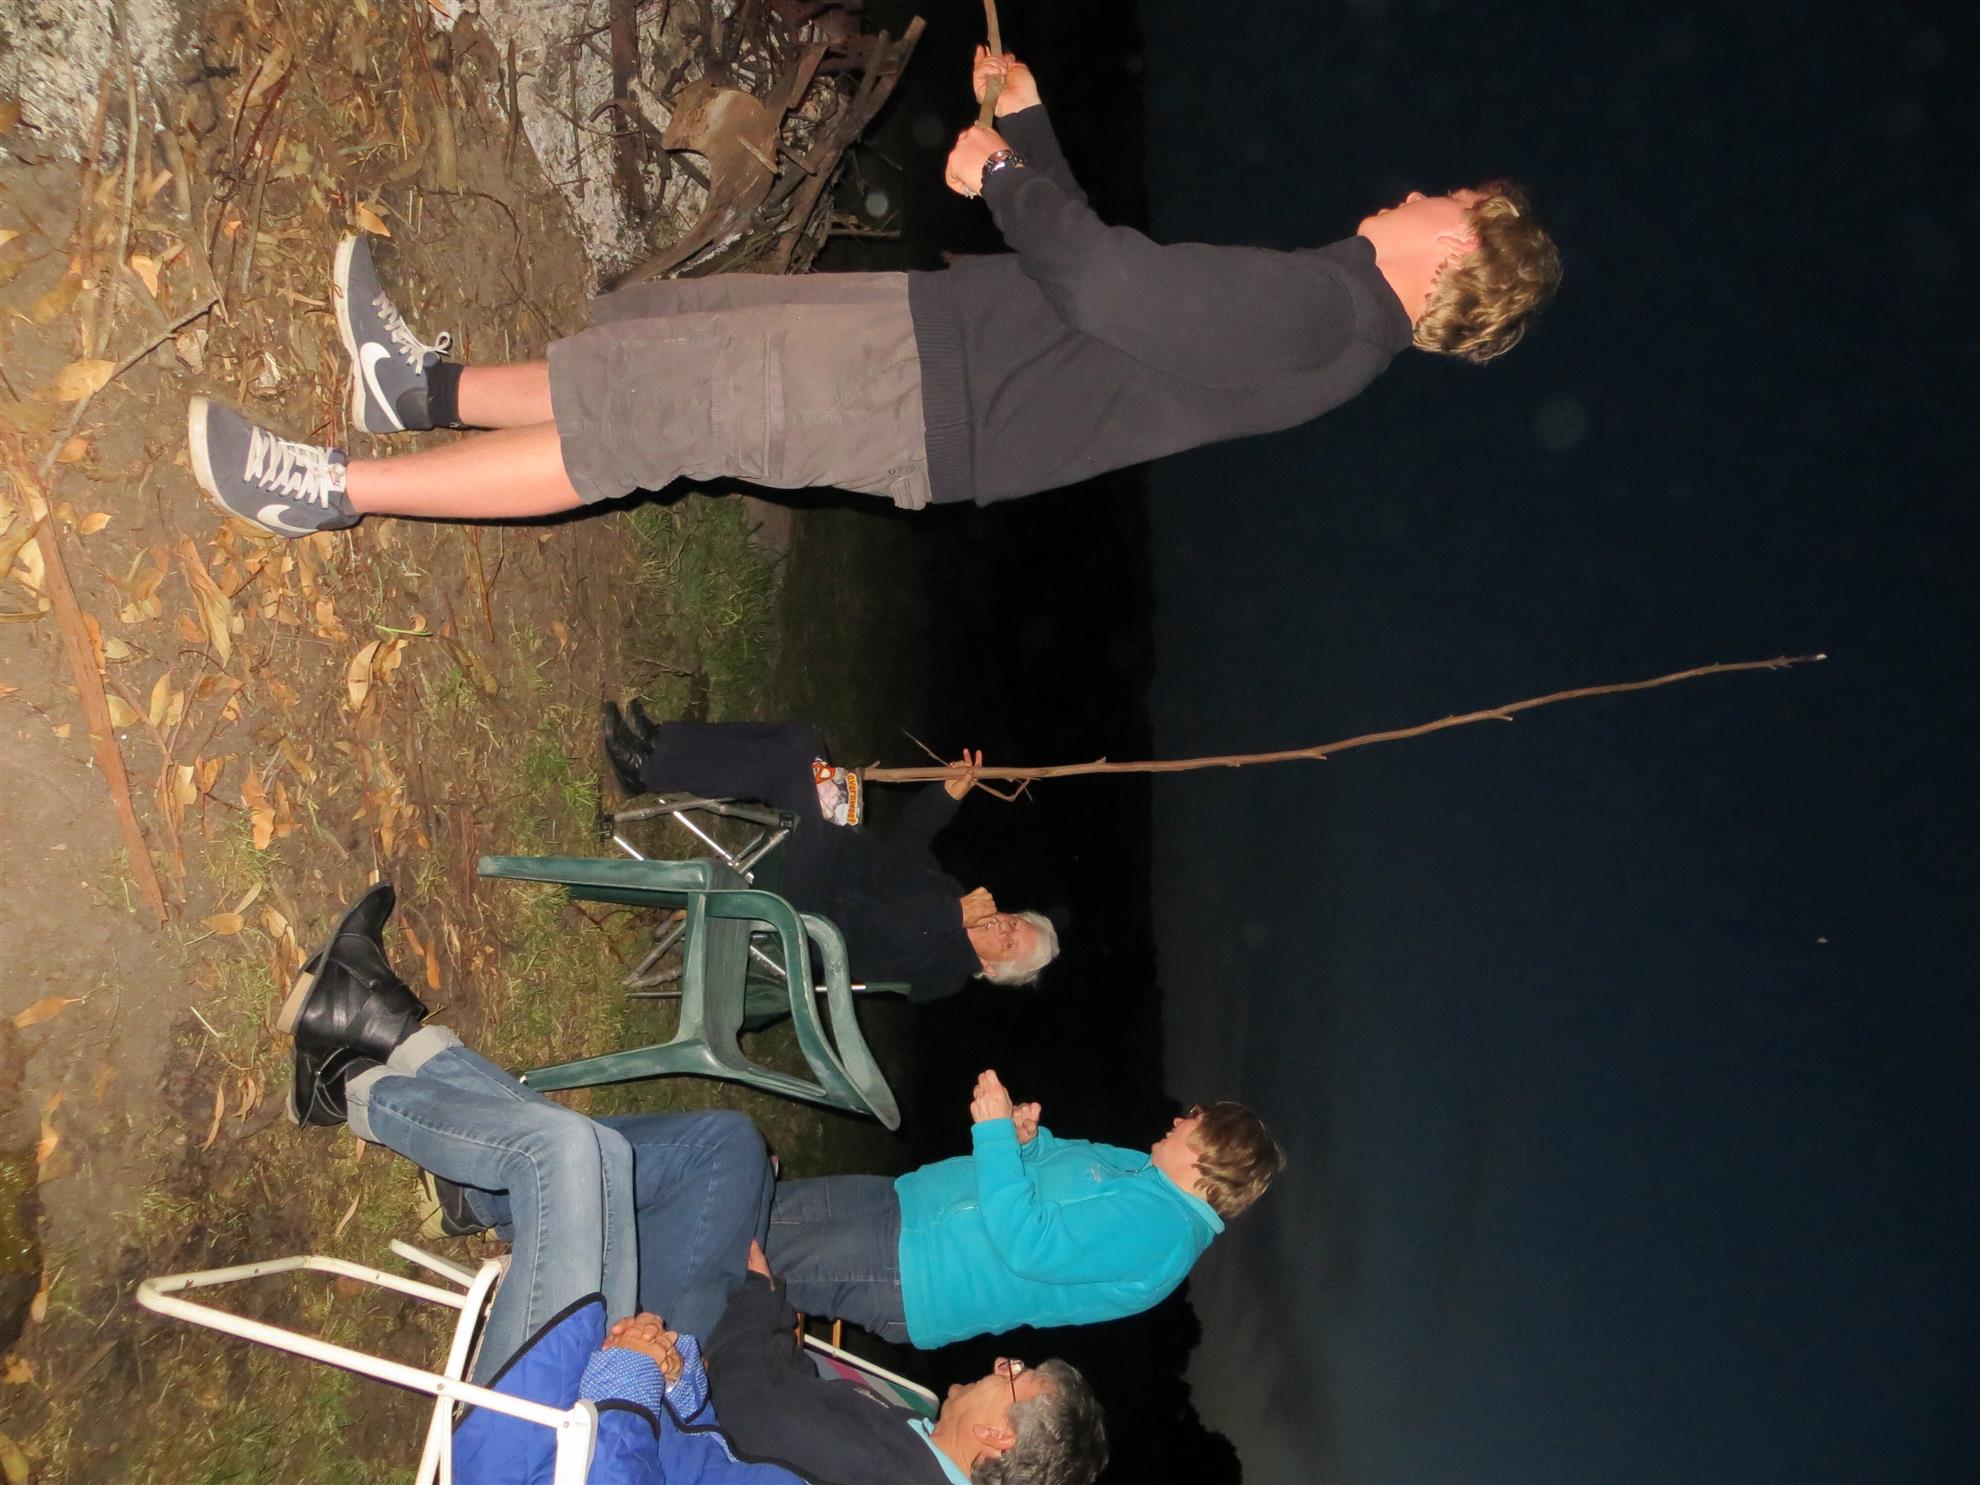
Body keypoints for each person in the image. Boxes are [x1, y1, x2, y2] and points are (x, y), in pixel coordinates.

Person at [184, 46, 1560, 539]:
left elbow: (1102, 283)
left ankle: (333, 492)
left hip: (932, 398)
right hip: (937, 344)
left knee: (648, 421)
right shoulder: (1327, 312)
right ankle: (418, 390)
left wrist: (1002, 178)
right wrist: (1030, 126)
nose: (1423, 189)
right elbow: (1114, 284)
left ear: (1462, 252)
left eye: (1451, 198)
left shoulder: (1328, 317)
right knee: (661, 348)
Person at [281, 882, 1107, 1485]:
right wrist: (694, 1365)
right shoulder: (911, 1445)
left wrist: (631, 1380)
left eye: (1016, 1375)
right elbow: (728, 1444)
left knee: (569, 1156)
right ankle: (373, 1040)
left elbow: (738, 1425)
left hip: (555, 1450)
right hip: (644, 1401)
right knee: (684, 1152)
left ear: (998, 1440)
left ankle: (356, 1064)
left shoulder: (893, 1471)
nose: (1003, 1360)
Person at [761, 1069, 1286, 1348]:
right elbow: (1049, 1172)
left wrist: (992, 1133)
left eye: (1197, 1119)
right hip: (911, 1201)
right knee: (762, 1207)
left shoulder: (1163, 1234)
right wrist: (1027, 1141)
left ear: (1211, 1155)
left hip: (916, 1274)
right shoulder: (1139, 1167)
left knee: (750, 1258)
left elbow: (1030, 1245)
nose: (1180, 1120)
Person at [601, 709, 1058, 1000]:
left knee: (793, 773)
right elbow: (903, 848)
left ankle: (647, 770)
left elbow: (873, 930)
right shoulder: (953, 894)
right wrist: (946, 795)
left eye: (1009, 943)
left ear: (992, 969)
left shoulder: (944, 974)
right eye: (1014, 923)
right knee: (803, 743)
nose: (1003, 927)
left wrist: (951, 915)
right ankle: (663, 743)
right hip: (836, 858)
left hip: (812, 913)